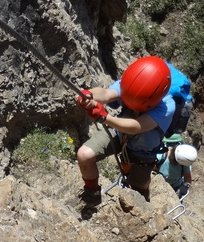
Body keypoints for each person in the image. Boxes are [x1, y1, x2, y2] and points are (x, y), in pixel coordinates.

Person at [76, 56, 177, 210]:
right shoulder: (130, 84)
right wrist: (89, 96)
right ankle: (92, 194)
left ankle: (143, 197)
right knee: (84, 155)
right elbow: (106, 93)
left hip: (144, 152)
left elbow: (136, 126)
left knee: (138, 190)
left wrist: (106, 118)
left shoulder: (167, 107)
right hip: (119, 134)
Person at [155, 133, 197, 199]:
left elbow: (188, 177)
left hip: (174, 187)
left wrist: (185, 186)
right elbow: (151, 171)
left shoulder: (185, 162)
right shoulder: (161, 156)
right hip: (158, 185)